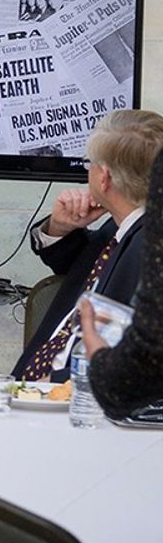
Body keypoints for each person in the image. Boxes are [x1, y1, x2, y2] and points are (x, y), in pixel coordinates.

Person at [15, 109, 163, 382]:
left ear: (104, 178)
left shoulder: (148, 248)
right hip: (36, 387)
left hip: (72, 398)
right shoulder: (120, 228)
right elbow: (83, 271)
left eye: (88, 163)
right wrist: (60, 228)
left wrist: (49, 388)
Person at [79, 146, 163, 417]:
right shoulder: (112, 230)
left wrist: (102, 366)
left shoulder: (144, 238)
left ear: (104, 177)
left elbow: (149, 352)